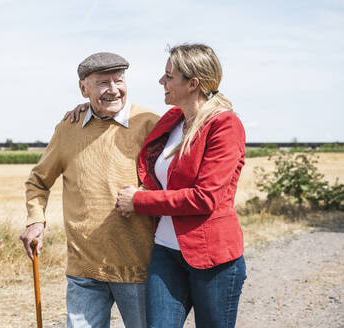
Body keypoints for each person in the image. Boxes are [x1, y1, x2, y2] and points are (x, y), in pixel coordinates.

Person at [20, 52, 159, 328]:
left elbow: (173, 180)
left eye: (118, 80)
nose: (113, 89)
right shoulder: (68, 128)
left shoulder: (150, 123)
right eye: (102, 83)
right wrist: (36, 220)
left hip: (137, 265)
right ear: (83, 88)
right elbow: (38, 180)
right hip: (84, 268)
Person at [114, 44, 247, 328]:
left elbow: (205, 198)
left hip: (213, 258)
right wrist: (84, 106)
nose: (161, 82)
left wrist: (139, 201)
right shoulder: (173, 120)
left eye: (168, 76)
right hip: (165, 252)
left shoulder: (225, 125)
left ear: (193, 83)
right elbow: (119, 117)